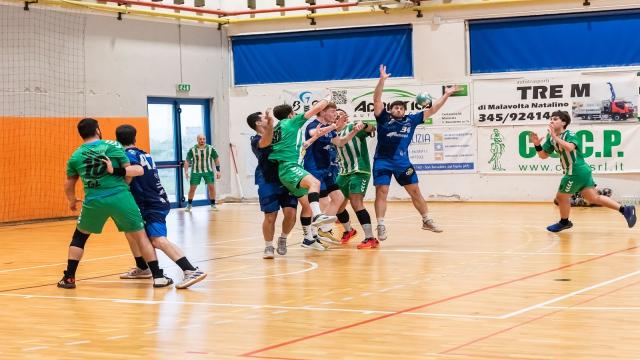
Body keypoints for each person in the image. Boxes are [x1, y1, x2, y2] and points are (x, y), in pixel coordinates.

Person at [59, 118, 172, 289]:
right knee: (141, 236)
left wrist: (72, 200)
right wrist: (123, 188)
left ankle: (69, 278)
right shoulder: (113, 146)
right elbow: (128, 171)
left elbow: (69, 183)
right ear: (97, 130)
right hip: (121, 197)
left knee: (79, 237)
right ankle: (158, 276)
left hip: (94, 200)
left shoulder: (75, 155)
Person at [115, 125, 207, 289]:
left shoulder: (127, 156)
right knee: (131, 233)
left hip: (151, 203)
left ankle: (190, 269)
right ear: (135, 138)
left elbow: (131, 173)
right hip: (153, 200)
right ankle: (143, 267)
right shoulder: (144, 153)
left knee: (157, 240)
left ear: (117, 140)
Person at [372, 64, 458, 241]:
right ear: (391, 110)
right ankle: (380, 225)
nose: (398, 110)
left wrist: (447, 94)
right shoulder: (383, 119)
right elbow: (377, 99)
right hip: (382, 161)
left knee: (415, 192)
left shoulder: (411, 120)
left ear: (404, 110)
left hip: (403, 163)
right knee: (382, 191)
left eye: (401, 108)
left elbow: (433, 110)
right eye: (395, 108)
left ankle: (427, 220)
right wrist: (382, 80)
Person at [529, 110, 636, 232]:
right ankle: (625, 210)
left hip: (575, 171)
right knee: (593, 198)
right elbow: (543, 155)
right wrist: (537, 145)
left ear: (563, 122)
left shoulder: (570, 134)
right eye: (551, 119)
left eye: (555, 119)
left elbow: (569, 147)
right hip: (581, 171)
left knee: (561, 197)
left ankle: (564, 222)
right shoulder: (551, 138)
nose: (551, 121)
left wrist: (554, 137)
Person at [269, 93, 338, 251]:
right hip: (290, 167)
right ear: (291, 114)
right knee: (315, 183)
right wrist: (328, 97)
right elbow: (318, 108)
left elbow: (302, 146)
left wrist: (315, 137)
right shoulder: (291, 122)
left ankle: (308, 239)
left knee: (306, 206)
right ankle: (319, 216)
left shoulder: (280, 129)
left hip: (289, 168)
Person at [303, 103, 364, 246]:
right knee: (319, 204)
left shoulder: (331, 129)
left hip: (328, 169)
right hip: (315, 169)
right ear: (322, 112)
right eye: (332, 111)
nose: (335, 114)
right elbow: (314, 134)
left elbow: (340, 142)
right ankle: (310, 235)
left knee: (339, 197)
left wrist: (353, 131)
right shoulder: (313, 124)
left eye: (336, 111)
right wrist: (333, 126)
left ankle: (324, 228)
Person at [247, 109, 298, 259]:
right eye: (264, 117)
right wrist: (270, 126)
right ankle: (268, 246)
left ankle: (283, 238)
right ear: (258, 123)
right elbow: (266, 142)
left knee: (291, 213)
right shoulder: (255, 140)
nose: (269, 118)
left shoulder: (280, 132)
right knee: (270, 216)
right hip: (267, 180)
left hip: (286, 177)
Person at [333, 109, 378, 249]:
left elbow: (372, 128)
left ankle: (370, 238)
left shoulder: (352, 127)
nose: (334, 117)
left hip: (359, 170)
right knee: (337, 205)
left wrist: (363, 124)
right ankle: (349, 230)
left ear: (345, 118)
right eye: (333, 115)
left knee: (356, 202)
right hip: (343, 172)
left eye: (338, 115)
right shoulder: (331, 133)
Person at [184, 134, 221, 211]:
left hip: (208, 171)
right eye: (200, 139)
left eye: (204, 139)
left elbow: (216, 159)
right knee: (192, 189)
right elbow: (187, 161)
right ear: (197, 140)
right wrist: (186, 171)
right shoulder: (192, 150)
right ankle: (189, 205)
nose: (202, 140)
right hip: (195, 172)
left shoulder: (211, 148)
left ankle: (213, 204)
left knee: (211, 187)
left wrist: (218, 171)